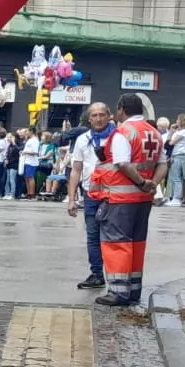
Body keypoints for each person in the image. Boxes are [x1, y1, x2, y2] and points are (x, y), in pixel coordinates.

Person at [89, 93, 165, 307]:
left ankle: (118, 292)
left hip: (121, 199)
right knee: (137, 243)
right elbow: (163, 164)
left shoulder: (123, 132)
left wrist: (141, 182)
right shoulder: (154, 132)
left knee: (117, 243)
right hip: (143, 200)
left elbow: (123, 164)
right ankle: (133, 290)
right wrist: (151, 184)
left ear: (122, 109)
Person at [66, 102, 113, 290]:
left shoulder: (117, 137)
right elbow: (76, 169)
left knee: (113, 237)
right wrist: (71, 199)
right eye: (94, 115)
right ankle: (96, 274)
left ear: (109, 116)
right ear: (89, 118)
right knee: (93, 236)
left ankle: (118, 276)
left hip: (113, 193)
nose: (99, 118)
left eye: (102, 114)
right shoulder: (83, 139)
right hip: (91, 193)